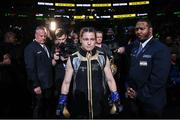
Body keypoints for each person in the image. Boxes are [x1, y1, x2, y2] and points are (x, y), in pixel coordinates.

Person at [56, 27, 122, 118]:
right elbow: (66, 82)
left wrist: (116, 98)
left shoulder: (102, 57)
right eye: (86, 39)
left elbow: (110, 79)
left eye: (92, 39)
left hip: (100, 104)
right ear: (80, 40)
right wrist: (62, 101)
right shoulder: (73, 58)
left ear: (95, 40)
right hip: (79, 104)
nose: (89, 42)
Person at [117, 19, 171, 118]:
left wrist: (139, 94)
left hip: (151, 102)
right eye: (137, 29)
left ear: (150, 30)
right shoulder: (134, 45)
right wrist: (128, 88)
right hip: (133, 100)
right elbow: (131, 69)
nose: (138, 31)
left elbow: (159, 79)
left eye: (142, 29)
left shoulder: (161, 49)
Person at [24, 26, 54, 118]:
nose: (43, 38)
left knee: (46, 108)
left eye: (45, 36)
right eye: (41, 36)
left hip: (48, 84)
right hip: (39, 85)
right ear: (35, 35)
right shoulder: (30, 48)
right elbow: (30, 68)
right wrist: (35, 85)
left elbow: (48, 63)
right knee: (38, 108)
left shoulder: (45, 46)